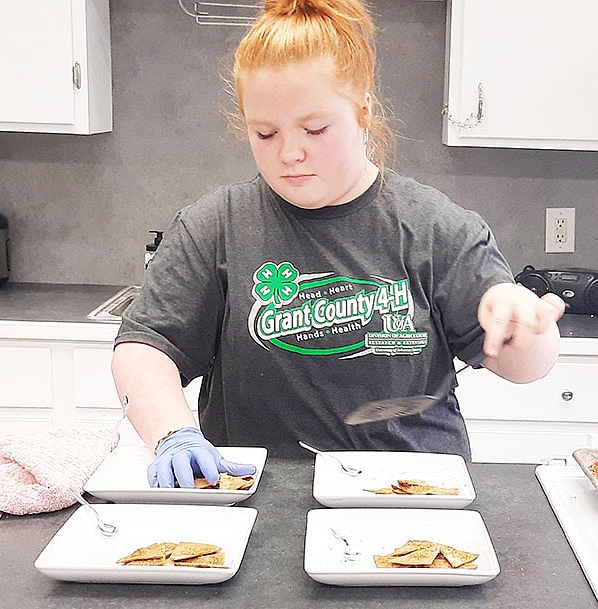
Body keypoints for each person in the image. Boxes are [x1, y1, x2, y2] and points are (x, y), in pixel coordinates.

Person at [112, 0, 565, 488]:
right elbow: (144, 350)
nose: (289, 153)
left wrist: (526, 327)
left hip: (412, 500)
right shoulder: (214, 227)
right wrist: (173, 434)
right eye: (264, 133)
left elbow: (526, 370)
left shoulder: (436, 228)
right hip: (257, 500)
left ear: (363, 110)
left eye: (315, 129)